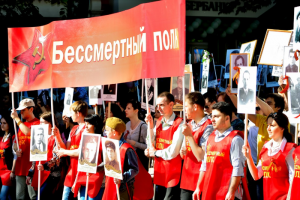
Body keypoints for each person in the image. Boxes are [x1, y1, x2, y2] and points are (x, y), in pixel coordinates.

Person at [193, 102, 250, 200]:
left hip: (227, 193)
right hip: (210, 190)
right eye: (212, 116)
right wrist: (198, 187)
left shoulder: (236, 140)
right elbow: (204, 165)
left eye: (216, 116)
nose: (212, 120)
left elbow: (238, 170)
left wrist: (231, 192)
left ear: (227, 118)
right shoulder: (210, 138)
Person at [243, 112, 295, 200]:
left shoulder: (290, 149)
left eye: (272, 125)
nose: (268, 129)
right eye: (268, 125)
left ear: (282, 128)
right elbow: (256, 176)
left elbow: (293, 179)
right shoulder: (265, 148)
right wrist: (248, 156)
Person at [145, 92, 184, 200]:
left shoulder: (179, 123)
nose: (158, 108)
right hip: (159, 171)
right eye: (157, 105)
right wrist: (150, 126)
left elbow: (173, 151)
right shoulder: (158, 121)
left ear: (171, 105)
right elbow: (151, 143)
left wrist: (155, 153)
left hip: (173, 173)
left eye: (161, 105)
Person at [179, 92, 213, 200]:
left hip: (199, 179)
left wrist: (189, 135)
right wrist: (182, 151)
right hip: (186, 178)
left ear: (195, 107)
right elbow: (185, 152)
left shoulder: (209, 126)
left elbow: (201, 156)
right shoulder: (189, 124)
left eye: (186, 106)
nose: (184, 110)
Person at [54, 100, 88, 200]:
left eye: (71, 112)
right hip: (72, 169)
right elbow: (66, 149)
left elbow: (80, 152)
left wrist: (63, 152)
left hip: (82, 170)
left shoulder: (87, 128)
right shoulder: (74, 129)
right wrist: (58, 135)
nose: (70, 115)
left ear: (78, 113)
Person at [102, 117, 139, 200]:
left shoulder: (127, 149)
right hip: (110, 184)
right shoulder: (110, 145)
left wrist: (122, 177)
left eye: (107, 130)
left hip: (123, 188)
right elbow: (107, 162)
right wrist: (94, 168)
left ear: (114, 133)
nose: (105, 133)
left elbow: (134, 169)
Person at [28, 112, 62, 200]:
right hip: (39, 172)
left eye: (43, 122)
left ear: (50, 123)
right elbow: (35, 156)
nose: (40, 124)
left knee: (41, 196)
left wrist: (45, 165)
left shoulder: (56, 137)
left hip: (51, 174)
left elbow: (57, 157)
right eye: (40, 122)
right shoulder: (38, 135)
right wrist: (30, 173)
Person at [11, 98, 39, 200]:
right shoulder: (21, 125)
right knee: (19, 197)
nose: (20, 112)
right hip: (20, 166)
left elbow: (29, 133)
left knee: (33, 197)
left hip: (31, 167)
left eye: (23, 110)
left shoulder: (38, 123)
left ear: (31, 109)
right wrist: (16, 150)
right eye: (20, 110)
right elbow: (16, 143)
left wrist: (17, 119)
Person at [73, 114, 104, 200]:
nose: (86, 126)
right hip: (83, 180)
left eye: (89, 123)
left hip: (98, 181)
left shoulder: (103, 141)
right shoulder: (84, 140)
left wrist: (95, 169)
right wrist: (76, 181)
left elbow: (106, 162)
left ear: (96, 125)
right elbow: (81, 162)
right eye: (85, 123)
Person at [124, 99, 148, 169]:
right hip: (129, 160)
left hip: (139, 162)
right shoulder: (127, 125)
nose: (125, 110)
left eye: (128, 108)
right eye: (126, 108)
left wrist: (135, 143)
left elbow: (148, 147)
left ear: (136, 111)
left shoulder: (143, 126)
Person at [0, 114, 15, 200]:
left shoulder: (12, 137)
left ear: (9, 124)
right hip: (0, 169)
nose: (2, 125)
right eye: (1, 123)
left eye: (4, 123)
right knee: (9, 196)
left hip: (8, 171)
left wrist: (12, 171)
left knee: (2, 196)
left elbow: (15, 156)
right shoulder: (1, 137)